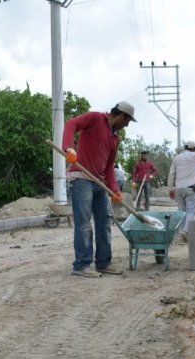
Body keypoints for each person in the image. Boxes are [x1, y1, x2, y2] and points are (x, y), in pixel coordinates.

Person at [62, 101, 136, 278]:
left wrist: (115, 189)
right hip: (81, 180)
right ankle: (81, 266)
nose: (126, 125)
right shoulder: (95, 118)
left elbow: (109, 166)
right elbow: (71, 124)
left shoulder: (115, 137)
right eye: (127, 122)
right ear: (121, 116)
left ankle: (103, 263)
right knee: (84, 224)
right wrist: (69, 147)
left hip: (99, 183)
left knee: (104, 224)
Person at [167, 141, 195, 241]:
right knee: (191, 210)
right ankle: (185, 231)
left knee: (181, 211)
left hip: (179, 188)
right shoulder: (193, 155)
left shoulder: (176, 158)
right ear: (193, 148)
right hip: (190, 188)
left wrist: (170, 189)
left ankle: (182, 234)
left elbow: (171, 174)